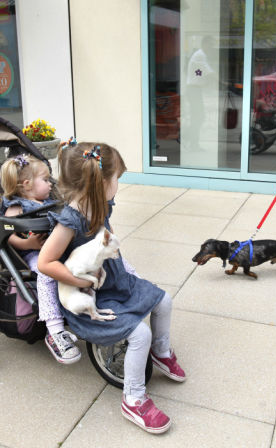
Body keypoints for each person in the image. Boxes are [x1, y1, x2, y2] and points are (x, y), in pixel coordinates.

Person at [37, 142, 185, 435]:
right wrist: (81, 282)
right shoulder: (69, 221)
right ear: (100, 183)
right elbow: (45, 262)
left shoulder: (101, 204)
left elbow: (107, 234)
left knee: (164, 300)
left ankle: (161, 351)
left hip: (116, 280)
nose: (119, 183)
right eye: (117, 178)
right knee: (139, 333)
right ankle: (133, 398)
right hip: (93, 292)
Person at [0, 153, 81, 364]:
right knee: (48, 275)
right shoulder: (17, 207)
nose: (50, 184)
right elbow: (8, 236)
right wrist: (28, 244)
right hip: (32, 254)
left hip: (54, 249)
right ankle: (54, 331)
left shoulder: (48, 200)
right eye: (45, 180)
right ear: (27, 185)